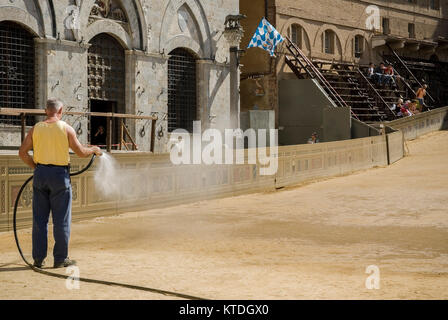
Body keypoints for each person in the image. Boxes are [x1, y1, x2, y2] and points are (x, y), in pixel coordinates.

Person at [19, 99, 102, 269]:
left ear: (45, 111)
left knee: (39, 220)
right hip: (59, 176)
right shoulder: (66, 128)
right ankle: (60, 259)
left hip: (40, 174)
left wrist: (37, 167)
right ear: (61, 110)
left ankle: (38, 259)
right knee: (61, 220)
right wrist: (93, 149)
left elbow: (22, 153)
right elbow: (80, 152)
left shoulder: (35, 129)